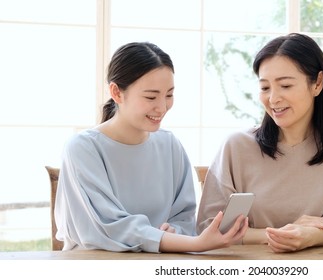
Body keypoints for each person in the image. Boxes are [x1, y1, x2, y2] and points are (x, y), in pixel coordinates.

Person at [55, 42, 248, 253]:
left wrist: (174, 231)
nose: (162, 107)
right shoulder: (82, 148)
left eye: (169, 95)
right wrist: (189, 242)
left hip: (159, 266)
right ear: (116, 93)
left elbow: (184, 216)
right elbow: (110, 227)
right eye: (151, 97)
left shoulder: (170, 145)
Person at [197, 33, 323, 253]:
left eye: (285, 86)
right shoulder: (237, 146)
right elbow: (209, 228)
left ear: (317, 83)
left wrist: (310, 236)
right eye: (265, 88)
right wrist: (288, 234)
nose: (273, 98)